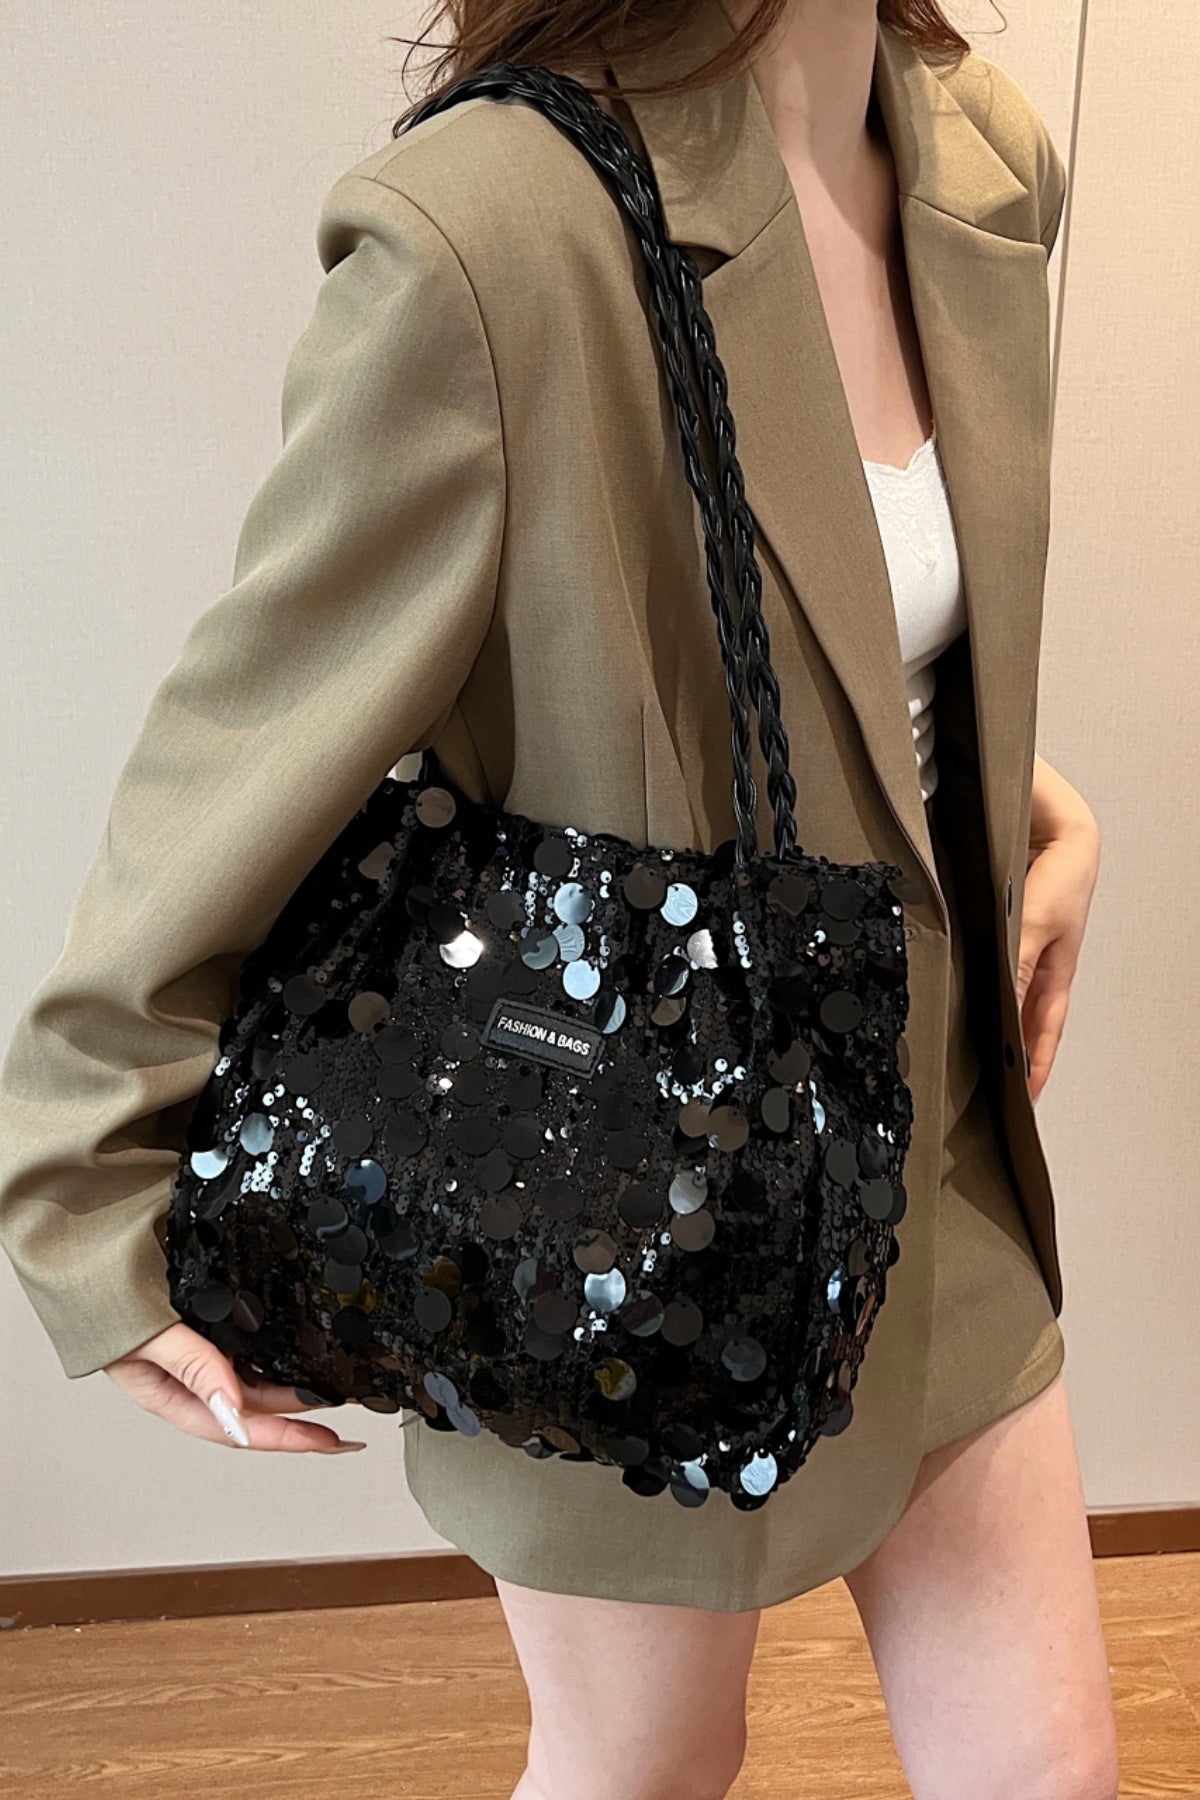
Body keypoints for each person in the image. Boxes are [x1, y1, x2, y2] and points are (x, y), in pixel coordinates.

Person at [0, 0, 1116, 1795]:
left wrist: (1043, 806)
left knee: (1049, 1771)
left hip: (944, 1137)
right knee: (644, 1772)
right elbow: (252, 737)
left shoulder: (976, 150)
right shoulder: (494, 234)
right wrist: (79, 1186)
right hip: (632, 1190)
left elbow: (883, 623)